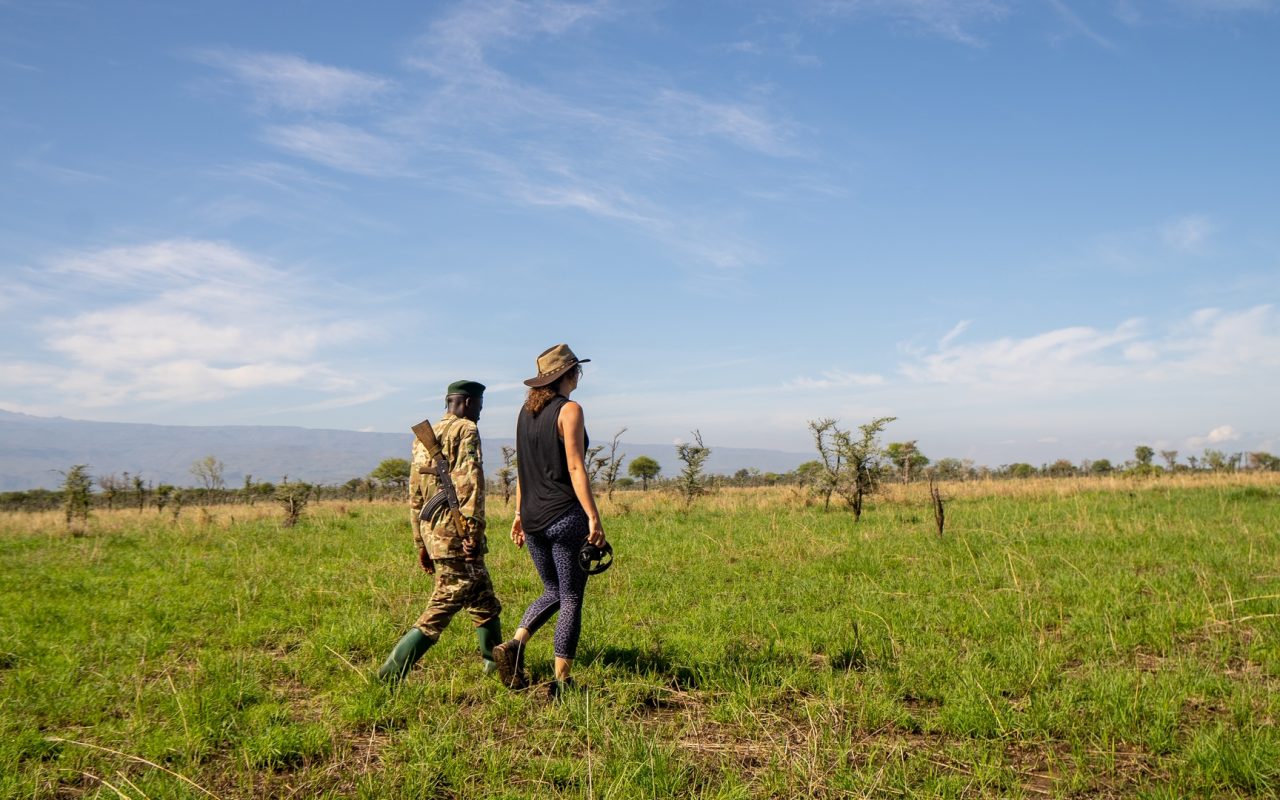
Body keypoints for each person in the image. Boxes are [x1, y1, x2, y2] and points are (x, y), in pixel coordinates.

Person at [492, 344, 607, 697]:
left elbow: (523, 470)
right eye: (577, 371)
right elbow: (575, 466)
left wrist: (517, 515)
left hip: (533, 519)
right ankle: (562, 683)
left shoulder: (525, 413)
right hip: (564, 516)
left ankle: (513, 646)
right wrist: (593, 516)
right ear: (568, 375)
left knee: (553, 591)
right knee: (570, 597)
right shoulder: (570, 410)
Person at [377, 380, 504, 682]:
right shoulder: (466, 430)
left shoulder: (426, 436)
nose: (481, 413)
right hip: (457, 535)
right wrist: (472, 533)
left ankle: (496, 665)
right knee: (443, 604)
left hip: (433, 531)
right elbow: (471, 483)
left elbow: (415, 492)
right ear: (469, 402)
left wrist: (420, 541)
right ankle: (391, 672)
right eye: (480, 406)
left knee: (483, 600)